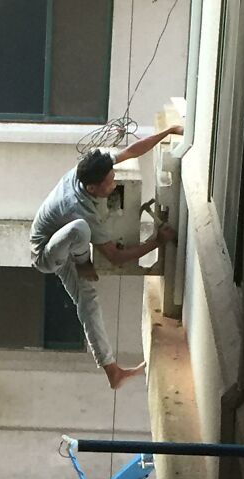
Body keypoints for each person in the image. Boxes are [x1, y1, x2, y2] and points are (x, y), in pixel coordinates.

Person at [30, 126, 183, 389]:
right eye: (110, 183)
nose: (114, 185)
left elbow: (132, 151)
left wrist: (168, 132)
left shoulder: (92, 169)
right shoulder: (78, 208)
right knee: (81, 228)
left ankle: (112, 371)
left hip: (68, 246)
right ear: (91, 187)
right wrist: (156, 242)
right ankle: (83, 261)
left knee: (88, 303)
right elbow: (115, 257)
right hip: (47, 253)